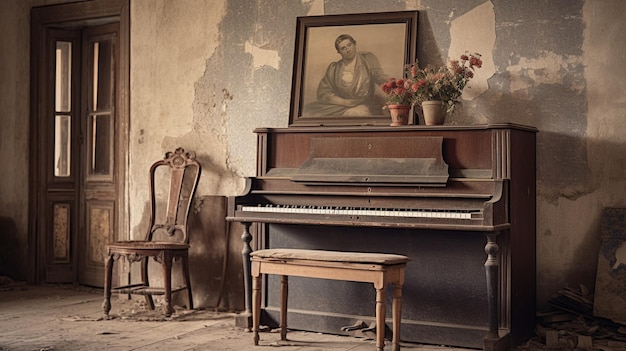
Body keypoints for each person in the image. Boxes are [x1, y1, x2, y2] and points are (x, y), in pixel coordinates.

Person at [303, 34, 388, 117]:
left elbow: (379, 77)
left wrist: (394, 85)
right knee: (308, 111)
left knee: (357, 113)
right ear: (339, 52)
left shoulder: (367, 59)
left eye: (349, 45)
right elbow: (323, 93)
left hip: (362, 103)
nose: (348, 49)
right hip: (339, 105)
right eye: (343, 48)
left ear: (354, 44)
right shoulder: (334, 68)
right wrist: (344, 102)